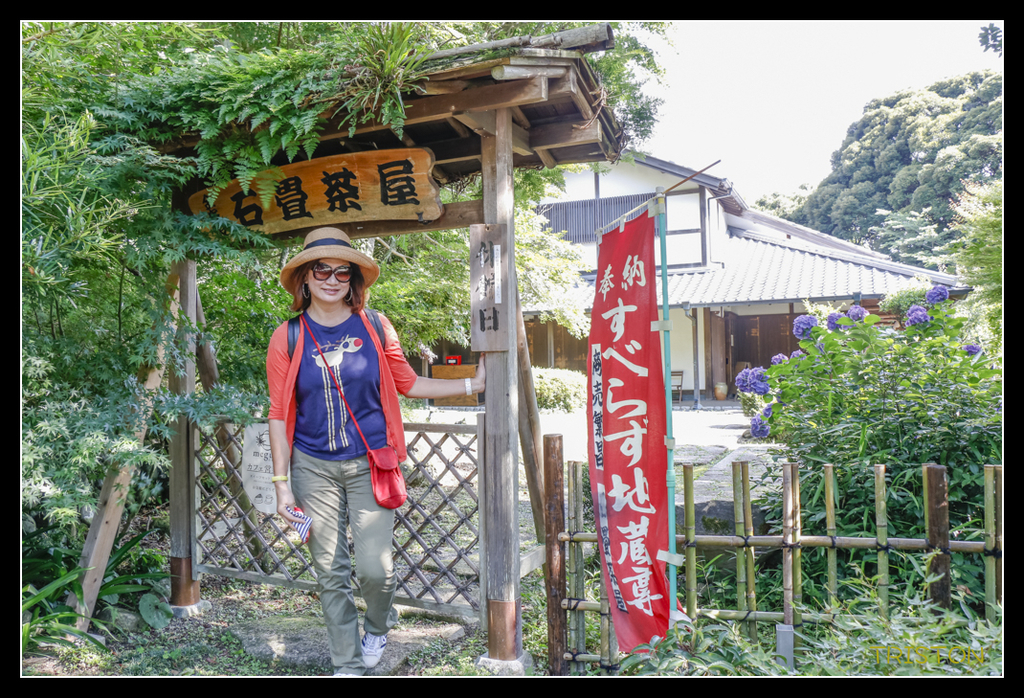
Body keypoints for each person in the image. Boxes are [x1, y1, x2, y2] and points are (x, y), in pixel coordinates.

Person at [266, 227, 486, 676]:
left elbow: (409, 383)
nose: (332, 279)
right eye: (321, 270)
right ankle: (346, 664)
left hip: (371, 463)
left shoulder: (375, 326)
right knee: (330, 571)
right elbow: (276, 413)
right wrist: (281, 484)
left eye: (341, 271)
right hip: (312, 466)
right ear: (305, 278)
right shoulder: (287, 336)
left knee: (374, 570)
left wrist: (471, 383)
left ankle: (379, 624)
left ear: (353, 279)